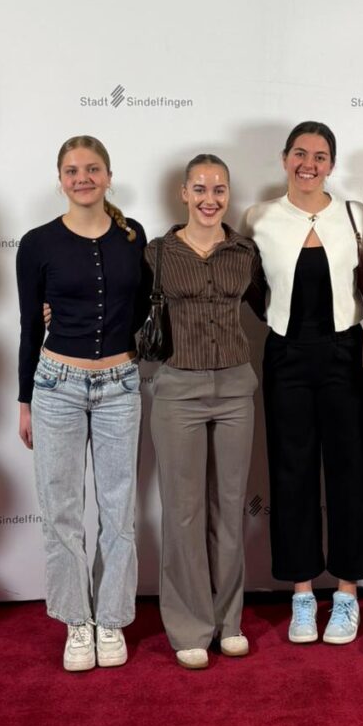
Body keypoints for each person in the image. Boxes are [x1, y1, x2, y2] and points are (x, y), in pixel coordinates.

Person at [16, 135, 149, 672]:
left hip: (120, 385)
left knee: (119, 512)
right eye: (72, 171)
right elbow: (30, 325)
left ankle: (111, 620)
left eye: (93, 169)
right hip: (56, 387)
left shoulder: (133, 236)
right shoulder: (37, 243)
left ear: (109, 176)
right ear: (61, 180)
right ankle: (77, 620)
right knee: (61, 511)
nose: (83, 178)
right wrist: (25, 400)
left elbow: (142, 308)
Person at [240, 122, 363, 646]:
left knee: (350, 470)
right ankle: (301, 594)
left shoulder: (356, 215)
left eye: (320, 156)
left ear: (331, 165)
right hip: (286, 354)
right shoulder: (259, 218)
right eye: (300, 153)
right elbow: (249, 286)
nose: (309, 164)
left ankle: (346, 594)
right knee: (290, 472)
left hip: (347, 353)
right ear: (284, 159)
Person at [147, 154, 265, 670]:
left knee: (229, 507)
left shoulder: (245, 252)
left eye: (219, 189)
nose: (209, 199)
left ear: (228, 195)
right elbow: (126, 310)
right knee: (183, 512)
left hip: (236, 388)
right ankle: (190, 626)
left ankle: (229, 621)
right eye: (199, 189)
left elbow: (274, 306)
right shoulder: (156, 253)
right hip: (177, 390)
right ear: (184, 193)